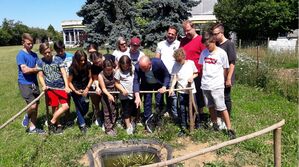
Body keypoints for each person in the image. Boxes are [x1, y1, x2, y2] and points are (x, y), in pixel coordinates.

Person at [199, 31, 236, 139]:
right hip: (205, 85)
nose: (207, 47)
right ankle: (215, 124)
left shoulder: (221, 53)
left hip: (217, 85)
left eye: (208, 45)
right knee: (210, 106)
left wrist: (225, 81)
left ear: (213, 41)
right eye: (205, 45)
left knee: (221, 107)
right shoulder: (204, 53)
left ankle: (229, 129)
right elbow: (202, 68)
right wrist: (204, 80)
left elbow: (225, 69)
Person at [37, 43, 70, 134]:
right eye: (45, 53)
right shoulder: (40, 62)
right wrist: (44, 85)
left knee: (65, 106)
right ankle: (58, 125)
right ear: (42, 53)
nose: (47, 54)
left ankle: (51, 121)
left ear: (51, 50)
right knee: (54, 107)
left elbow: (63, 73)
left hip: (61, 87)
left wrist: (66, 86)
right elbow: (40, 76)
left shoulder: (58, 59)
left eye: (48, 52)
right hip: (50, 88)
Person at [16, 33, 45, 134]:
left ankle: (32, 128)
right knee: (32, 106)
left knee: (36, 105)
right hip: (25, 83)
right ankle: (27, 116)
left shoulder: (34, 55)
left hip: (34, 82)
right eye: (28, 44)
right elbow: (25, 70)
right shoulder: (21, 55)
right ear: (23, 43)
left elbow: (40, 66)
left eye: (32, 44)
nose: (30, 45)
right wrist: (35, 69)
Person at [180, 20, 206, 127]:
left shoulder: (200, 40)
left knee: (198, 98)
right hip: (185, 74)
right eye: (185, 31)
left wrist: (202, 72)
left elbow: (205, 57)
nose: (186, 33)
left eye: (188, 30)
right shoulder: (183, 41)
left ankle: (199, 119)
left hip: (197, 74)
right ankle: (188, 119)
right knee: (186, 98)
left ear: (193, 28)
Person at [133, 56, 170, 133]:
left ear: (150, 64)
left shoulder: (158, 63)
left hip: (159, 84)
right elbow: (136, 81)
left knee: (159, 102)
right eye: (141, 68)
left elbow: (167, 75)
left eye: (145, 68)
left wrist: (164, 86)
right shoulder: (137, 67)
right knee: (147, 102)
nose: (142, 70)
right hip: (146, 84)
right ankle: (148, 122)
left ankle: (158, 121)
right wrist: (137, 96)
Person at [169, 48, 198, 136]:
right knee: (182, 110)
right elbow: (175, 77)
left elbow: (196, 73)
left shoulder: (190, 63)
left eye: (180, 60)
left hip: (191, 91)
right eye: (177, 60)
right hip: (181, 91)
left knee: (192, 108)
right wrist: (172, 87)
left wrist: (192, 78)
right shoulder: (175, 65)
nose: (178, 62)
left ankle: (194, 124)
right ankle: (183, 127)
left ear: (183, 57)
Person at [156, 25, 180, 123]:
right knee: (160, 96)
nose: (170, 35)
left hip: (173, 74)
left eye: (172, 34)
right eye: (169, 33)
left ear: (176, 35)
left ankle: (173, 116)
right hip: (161, 75)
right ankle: (160, 114)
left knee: (172, 95)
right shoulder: (160, 44)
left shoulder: (179, 44)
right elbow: (157, 59)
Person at [211, 23, 237, 117]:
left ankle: (226, 118)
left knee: (226, 98)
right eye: (213, 34)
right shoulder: (216, 44)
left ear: (221, 33)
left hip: (226, 77)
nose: (214, 36)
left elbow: (232, 63)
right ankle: (218, 116)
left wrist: (228, 78)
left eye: (215, 34)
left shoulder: (229, 44)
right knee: (217, 97)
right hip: (217, 77)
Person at [68, 50, 93, 134]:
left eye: (84, 60)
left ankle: (79, 118)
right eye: (81, 60)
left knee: (85, 106)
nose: (83, 62)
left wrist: (87, 88)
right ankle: (82, 125)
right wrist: (75, 91)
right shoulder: (72, 68)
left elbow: (91, 78)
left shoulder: (88, 65)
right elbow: (69, 82)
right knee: (79, 107)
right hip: (76, 89)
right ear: (76, 60)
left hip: (86, 88)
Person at [114, 55, 137, 135]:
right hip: (124, 95)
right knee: (126, 110)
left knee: (134, 109)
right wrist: (122, 90)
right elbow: (116, 83)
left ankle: (132, 122)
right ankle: (128, 126)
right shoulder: (118, 72)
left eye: (127, 66)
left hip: (133, 93)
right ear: (120, 64)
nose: (125, 68)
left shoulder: (133, 68)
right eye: (123, 66)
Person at [54, 41, 74, 126]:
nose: (60, 53)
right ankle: (66, 117)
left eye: (61, 50)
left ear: (64, 48)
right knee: (66, 101)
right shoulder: (54, 58)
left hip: (72, 81)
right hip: (61, 83)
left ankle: (75, 116)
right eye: (58, 51)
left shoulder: (71, 56)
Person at [98, 59, 117, 136]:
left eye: (110, 70)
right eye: (107, 70)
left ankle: (113, 124)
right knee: (107, 111)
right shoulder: (100, 75)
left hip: (114, 93)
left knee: (114, 110)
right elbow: (103, 88)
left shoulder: (114, 72)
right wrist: (109, 95)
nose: (109, 72)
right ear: (103, 68)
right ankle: (108, 128)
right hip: (106, 94)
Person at [88, 51, 104, 129]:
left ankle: (105, 118)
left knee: (105, 103)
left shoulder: (107, 61)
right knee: (96, 103)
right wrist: (97, 87)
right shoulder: (94, 67)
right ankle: (98, 118)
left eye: (98, 62)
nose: (98, 64)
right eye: (95, 63)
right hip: (97, 84)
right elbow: (95, 78)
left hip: (107, 84)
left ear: (101, 57)